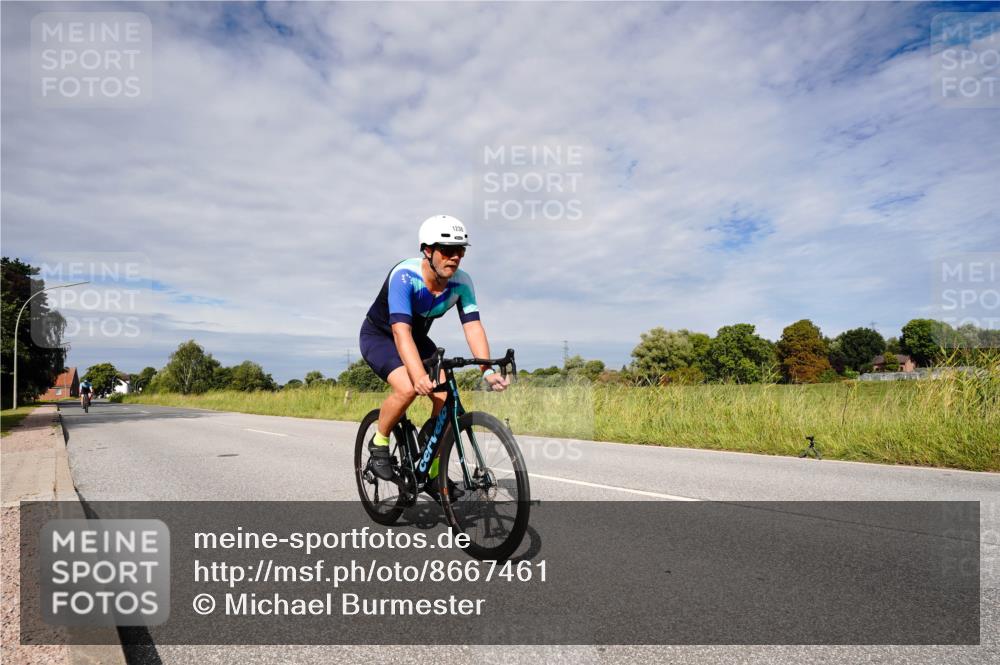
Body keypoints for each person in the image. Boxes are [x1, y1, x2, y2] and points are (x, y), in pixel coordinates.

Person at [360, 215, 510, 499]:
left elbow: (473, 326)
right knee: (406, 388)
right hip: (380, 336)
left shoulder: (462, 283)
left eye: (460, 251)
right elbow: (401, 332)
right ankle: (379, 441)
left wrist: (486, 372)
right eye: (447, 250)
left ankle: (430, 468)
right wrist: (417, 376)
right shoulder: (405, 276)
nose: (454, 257)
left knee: (444, 395)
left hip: (416, 339)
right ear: (427, 250)